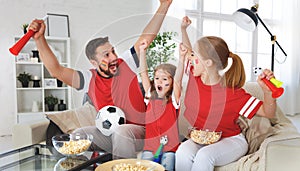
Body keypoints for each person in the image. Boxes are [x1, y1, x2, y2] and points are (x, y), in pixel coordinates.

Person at [28, 0, 173, 159]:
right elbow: (57, 71)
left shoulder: (126, 64)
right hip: (109, 134)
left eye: (113, 51)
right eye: (106, 55)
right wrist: (39, 39)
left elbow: (146, 38)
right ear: (94, 62)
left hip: (138, 133)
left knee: (121, 132)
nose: (113, 57)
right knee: (78, 134)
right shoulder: (88, 79)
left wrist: (164, 6)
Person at [175, 16, 277, 171]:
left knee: (204, 156)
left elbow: (268, 112)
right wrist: (183, 29)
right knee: (182, 151)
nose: (190, 57)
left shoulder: (233, 94)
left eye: (195, 56)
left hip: (231, 141)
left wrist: (267, 91)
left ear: (208, 63)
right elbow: (188, 51)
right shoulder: (195, 77)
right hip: (202, 138)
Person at [137, 35, 187, 170]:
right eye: (157, 78)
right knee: (145, 167)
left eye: (165, 79)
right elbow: (143, 73)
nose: (159, 81)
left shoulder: (174, 101)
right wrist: (142, 52)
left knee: (168, 164)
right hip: (150, 148)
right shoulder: (150, 97)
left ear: (172, 84)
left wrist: (182, 58)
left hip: (170, 149)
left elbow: (178, 79)